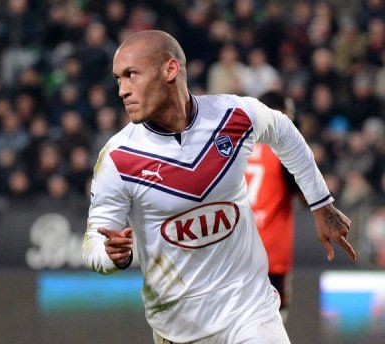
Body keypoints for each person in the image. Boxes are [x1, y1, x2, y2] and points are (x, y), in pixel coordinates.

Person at [82, 30, 356, 344]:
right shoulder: (118, 158)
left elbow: (284, 131)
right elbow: (94, 239)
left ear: (170, 70)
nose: (122, 90)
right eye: (118, 79)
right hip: (179, 326)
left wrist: (321, 204)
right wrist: (110, 255)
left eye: (131, 75)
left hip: (250, 310)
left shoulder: (232, 115)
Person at [244, 91, 299, 324]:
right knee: (273, 324)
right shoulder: (284, 151)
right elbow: (307, 196)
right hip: (272, 255)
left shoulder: (237, 147)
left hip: (238, 252)